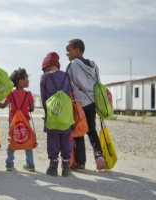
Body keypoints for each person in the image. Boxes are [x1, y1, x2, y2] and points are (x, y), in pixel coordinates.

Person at [66, 38, 106, 171]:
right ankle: (98, 154)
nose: (67, 54)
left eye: (68, 51)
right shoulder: (94, 65)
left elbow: (67, 86)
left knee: (78, 132)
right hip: (92, 102)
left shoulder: (72, 66)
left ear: (77, 50)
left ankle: (81, 163)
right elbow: (98, 84)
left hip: (78, 103)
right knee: (92, 130)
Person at [0, 68, 35, 172]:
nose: (28, 80)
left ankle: (9, 163)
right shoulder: (28, 94)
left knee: (12, 140)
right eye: (27, 78)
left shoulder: (11, 93)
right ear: (21, 81)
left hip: (13, 121)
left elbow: (3, 106)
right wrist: (27, 108)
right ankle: (30, 164)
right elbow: (32, 108)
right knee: (27, 140)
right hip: (25, 121)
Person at [40, 52, 72, 177]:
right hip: (66, 113)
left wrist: (47, 111)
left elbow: (44, 97)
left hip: (52, 112)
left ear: (47, 66)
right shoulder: (66, 76)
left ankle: (53, 166)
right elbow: (69, 93)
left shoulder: (44, 78)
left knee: (52, 138)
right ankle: (66, 166)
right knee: (65, 138)